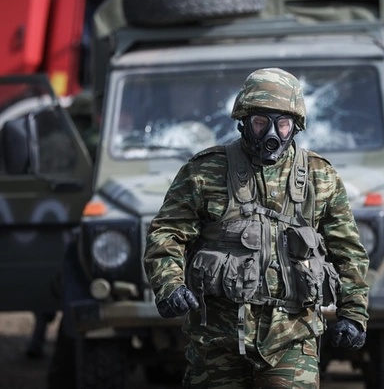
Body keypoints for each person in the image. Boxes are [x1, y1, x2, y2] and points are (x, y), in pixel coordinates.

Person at [144, 68, 370, 388]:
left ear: (295, 126)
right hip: (217, 339)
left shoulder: (320, 176)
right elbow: (167, 233)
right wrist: (169, 285)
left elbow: (348, 251)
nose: (272, 133)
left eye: (282, 123)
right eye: (261, 122)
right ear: (244, 121)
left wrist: (354, 314)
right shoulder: (205, 171)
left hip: (292, 337)